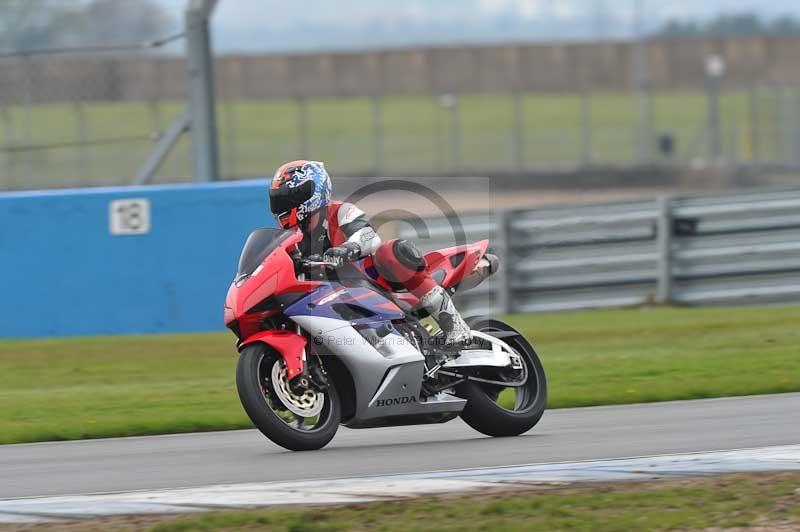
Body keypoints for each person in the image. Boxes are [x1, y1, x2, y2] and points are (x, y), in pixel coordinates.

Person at [268, 159, 471, 347]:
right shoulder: (289, 238)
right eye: (279, 199)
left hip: (368, 284)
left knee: (392, 251)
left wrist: (347, 249)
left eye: (291, 197)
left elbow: (369, 236)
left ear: (315, 191)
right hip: (326, 300)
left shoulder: (340, 211)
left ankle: (455, 326)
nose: (284, 205)